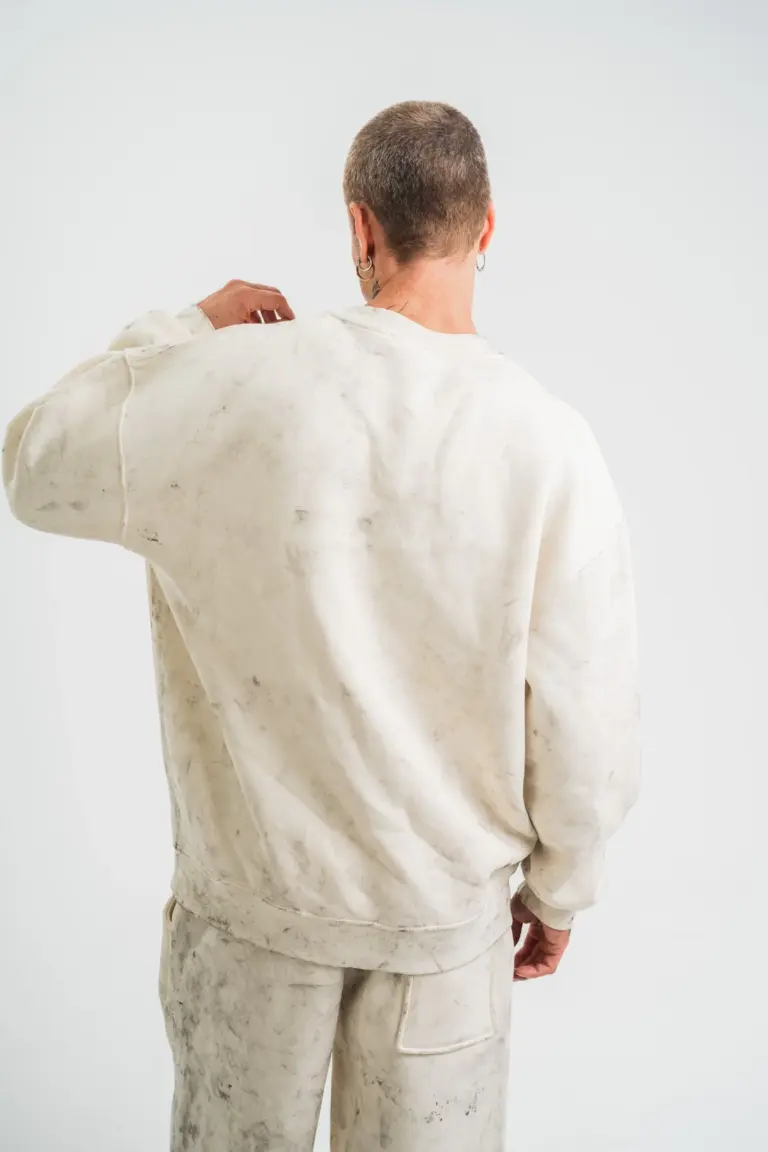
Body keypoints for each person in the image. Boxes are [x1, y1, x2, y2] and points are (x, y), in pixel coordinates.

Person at [3, 101, 641, 1151]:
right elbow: (587, 714)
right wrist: (561, 891)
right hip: (442, 935)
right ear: (486, 228)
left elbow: (35, 463)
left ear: (360, 227)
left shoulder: (232, 385)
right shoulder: (550, 445)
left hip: (251, 917)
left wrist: (187, 327)